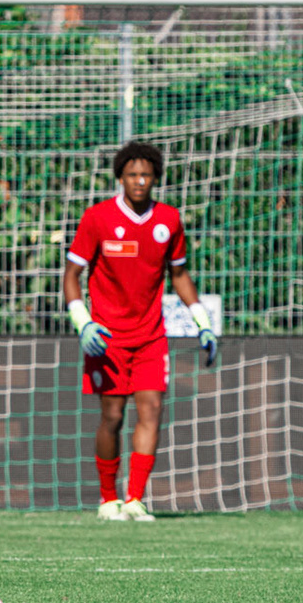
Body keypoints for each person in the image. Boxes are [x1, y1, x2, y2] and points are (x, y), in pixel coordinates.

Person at [62, 140, 216, 521]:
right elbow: (71, 276)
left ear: (156, 178)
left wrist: (203, 323)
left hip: (151, 336)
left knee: (152, 411)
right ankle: (107, 500)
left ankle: (135, 500)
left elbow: (179, 274)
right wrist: (83, 322)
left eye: (147, 175)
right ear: (120, 177)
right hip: (107, 338)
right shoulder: (97, 217)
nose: (140, 181)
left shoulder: (169, 220)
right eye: (132, 174)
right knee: (113, 416)